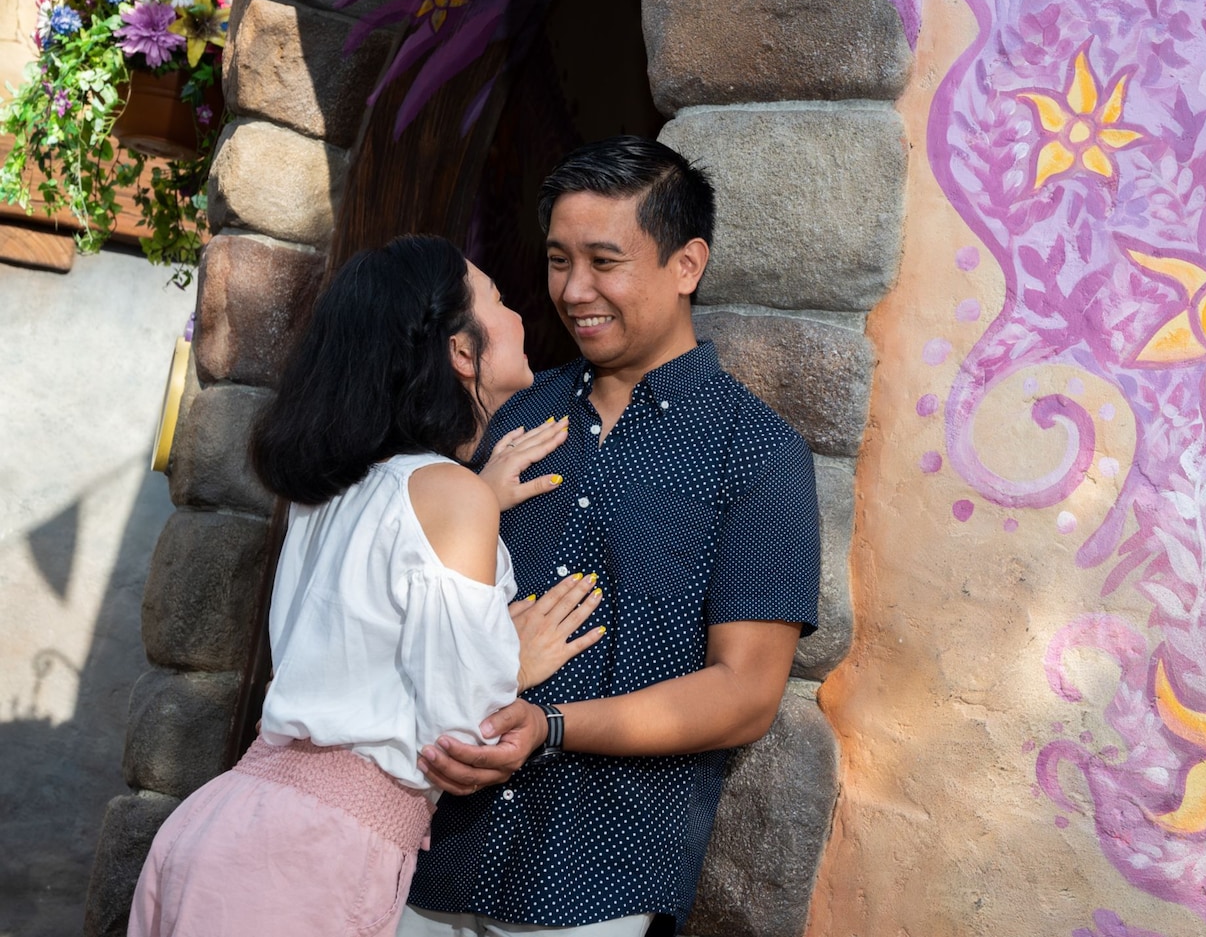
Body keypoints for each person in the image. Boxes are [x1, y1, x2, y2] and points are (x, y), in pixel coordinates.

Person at [399, 137, 822, 937]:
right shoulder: (514, 414)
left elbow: (744, 694)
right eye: (560, 260)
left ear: (686, 264)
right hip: (428, 846)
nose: (575, 289)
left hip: (596, 883)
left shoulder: (760, 455)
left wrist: (551, 726)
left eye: (604, 260)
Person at [127, 235, 607, 937]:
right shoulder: (449, 496)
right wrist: (518, 658)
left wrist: (475, 496)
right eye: (501, 300)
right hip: (305, 861)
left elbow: (377, 591)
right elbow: (462, 733)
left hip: (231, 822)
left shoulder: (336, 488)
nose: (521, 310)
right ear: (461, 352)